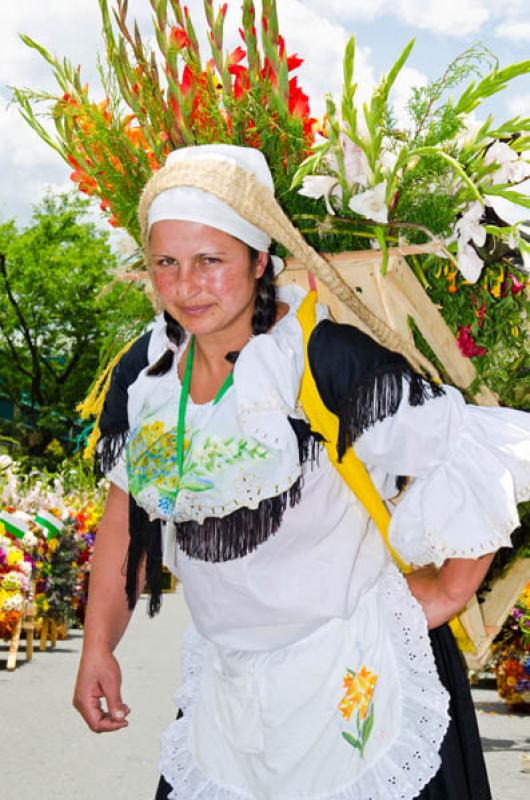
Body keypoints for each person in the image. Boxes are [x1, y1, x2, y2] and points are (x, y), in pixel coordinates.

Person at [73, 144, 530, 800]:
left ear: (261, 261)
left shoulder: (322, 360)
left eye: (211, 261)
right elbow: (127, 519)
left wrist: (449, 592)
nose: (186, 286)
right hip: (231, 697)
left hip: (356, 676)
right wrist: (98, 644)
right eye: (166, 263)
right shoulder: (144, 374)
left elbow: (474, 448)